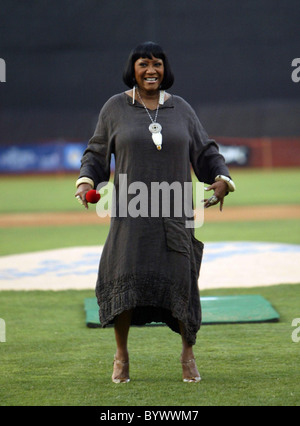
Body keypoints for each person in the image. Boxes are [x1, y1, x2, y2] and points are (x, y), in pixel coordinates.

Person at [75, 41, 235, 383]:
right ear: (132, 68)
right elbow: (97, 151)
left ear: (166, 69)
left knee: (182, 283)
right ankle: (121, 356)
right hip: (130, 213)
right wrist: (86, 180)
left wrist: (221, 177)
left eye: (157, 64)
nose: (151, 70)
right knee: (124, 280)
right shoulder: (115, 108)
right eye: (144, 64)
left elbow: (205, 151)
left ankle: (188, 357)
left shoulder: (181, 109)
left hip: (175, 211)